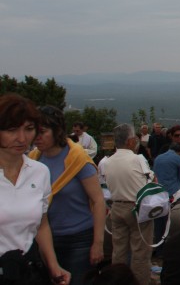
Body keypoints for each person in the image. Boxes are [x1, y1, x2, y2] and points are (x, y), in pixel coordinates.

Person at [30, 106, 105, 285]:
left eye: (43, 132)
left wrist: (98, 243)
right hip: (45, 238)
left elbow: (98, 200)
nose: (37, 137)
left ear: (57, 131)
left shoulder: (77, 159)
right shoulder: (33, 160)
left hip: (78, 239)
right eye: (34, 132)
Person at [0, 94, 71, 285]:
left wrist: (53, 265)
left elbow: (41, 223)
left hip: (28, 270)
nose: (22, 138)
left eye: (29, 129)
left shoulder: (40, 172)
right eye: (12, 130)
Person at [102, 123, 153, 285]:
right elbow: (150, 181)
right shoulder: (138, 159)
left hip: (116, 206)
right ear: (130, 141)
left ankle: (117, 281)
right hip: (137, 208)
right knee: (140, 252)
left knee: (119, 251)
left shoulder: (107, 162)